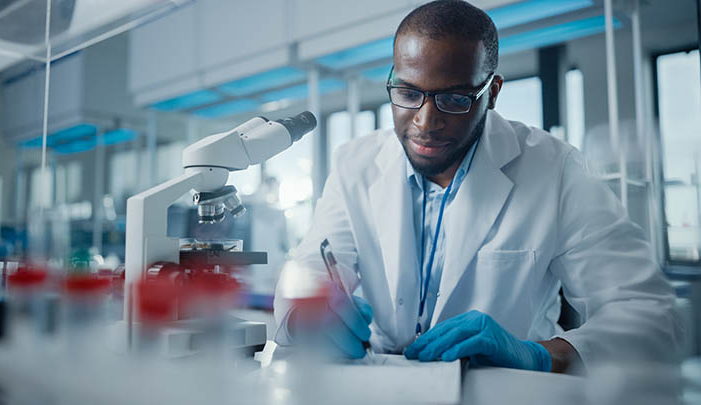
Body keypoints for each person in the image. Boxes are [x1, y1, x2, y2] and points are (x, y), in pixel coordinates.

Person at [273, 0, 681, 373]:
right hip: (379, 384)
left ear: (492, 92)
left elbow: (652, 315)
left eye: (454, 99)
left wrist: (539, 353)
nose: (425, 121)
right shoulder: (354, 166)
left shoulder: (554, 170)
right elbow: (308, 273)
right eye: (408, 93)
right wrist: (308, 313)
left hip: (505, 390)